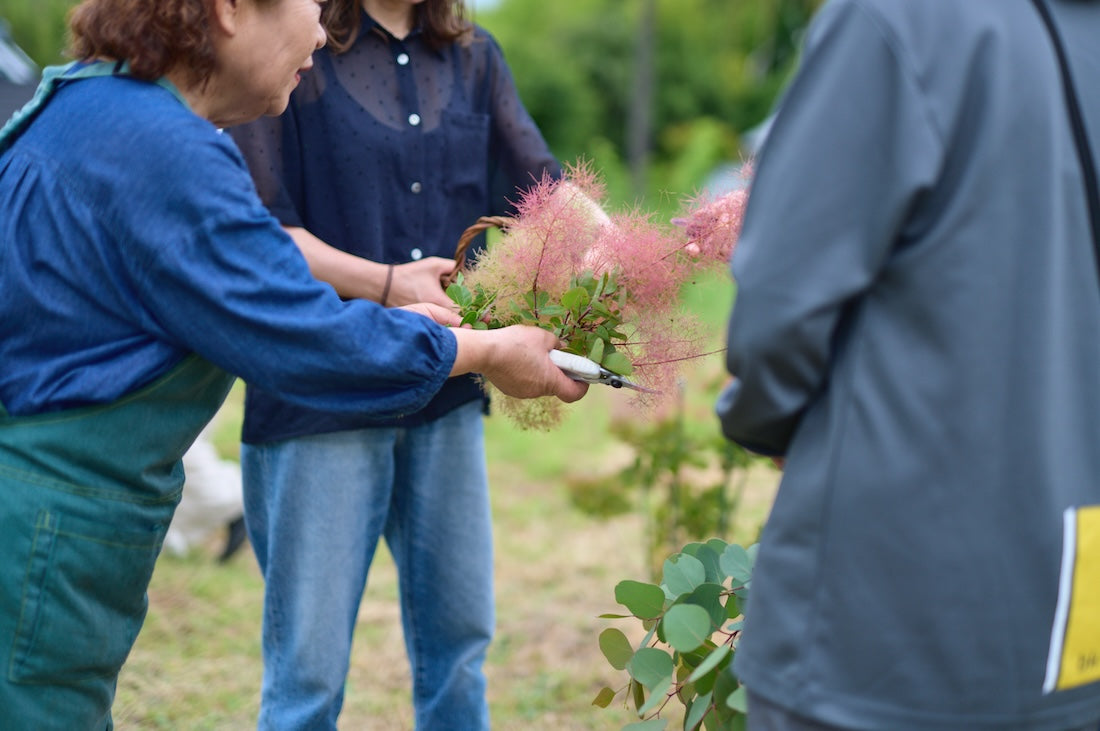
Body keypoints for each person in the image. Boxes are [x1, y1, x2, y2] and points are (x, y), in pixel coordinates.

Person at [0, 0, 587, 726]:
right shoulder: (164, 150)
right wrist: (490, 348)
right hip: (39, 545)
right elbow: (305, 336)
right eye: (310, 4)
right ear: (230, 10)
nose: (319, 29)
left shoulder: (88, 105)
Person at [716, 0, 1100, 729]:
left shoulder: (898, 17)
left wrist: (766, 422)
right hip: (1073, 616)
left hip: (884, 627)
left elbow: (779, 306)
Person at [225, 0, 566, 727]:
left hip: (446, 393)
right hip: (323, 394)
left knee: (460, 650)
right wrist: (383, 281)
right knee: (308, 677)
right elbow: (258, 234)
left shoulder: (476, 57)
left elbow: (547, 191)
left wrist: (650, 252)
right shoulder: (295, 45)